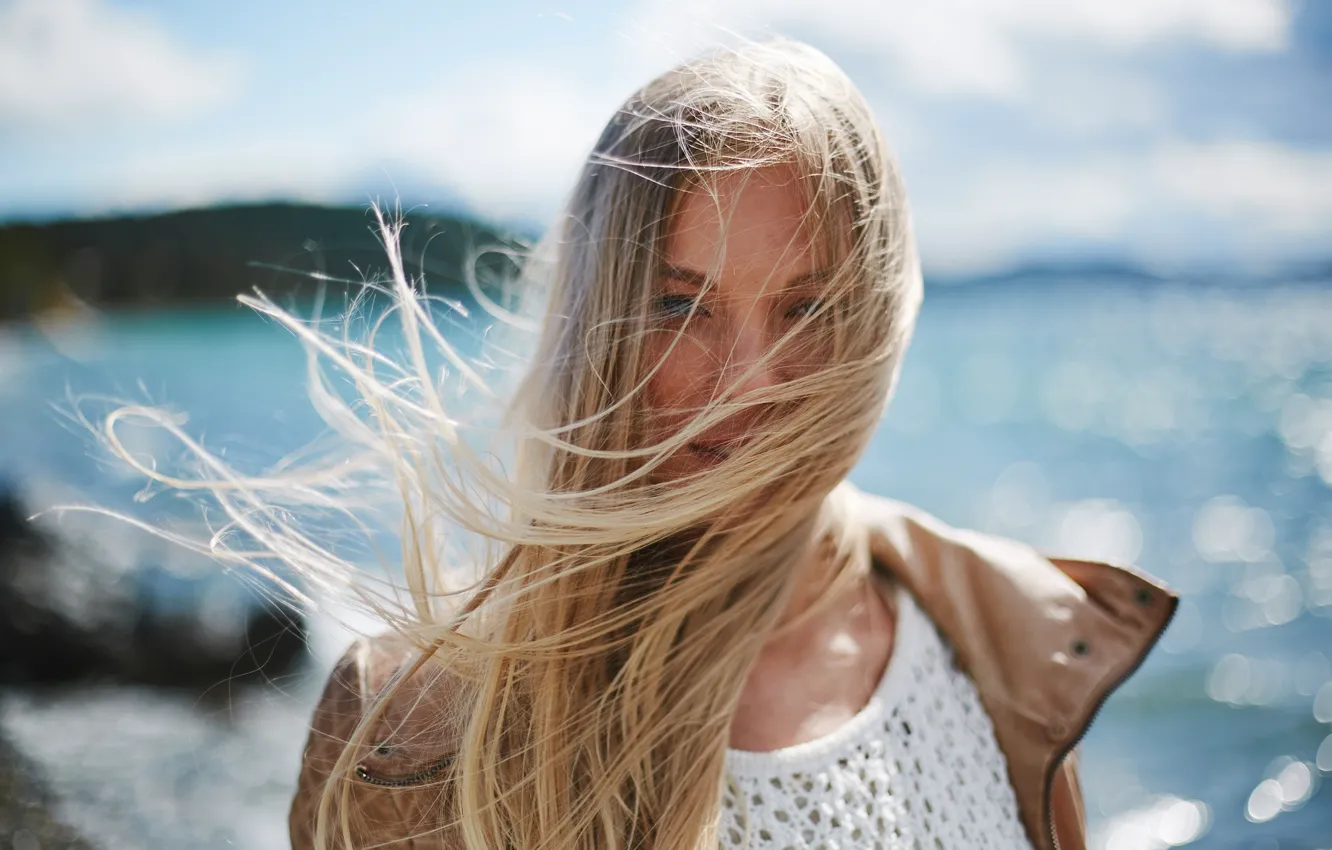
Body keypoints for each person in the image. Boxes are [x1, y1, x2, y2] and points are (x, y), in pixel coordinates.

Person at [285, 38, 1178, 850]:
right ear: (598, 323)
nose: (750, 383)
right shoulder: (420, 729)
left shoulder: (1011, 646)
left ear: (872, 322)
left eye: (808, 310)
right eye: (681, 306)